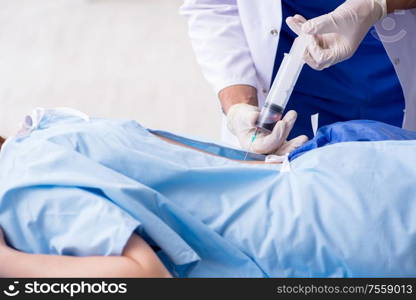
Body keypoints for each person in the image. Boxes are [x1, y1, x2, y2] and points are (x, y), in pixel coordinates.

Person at [1, 108, 416, 277]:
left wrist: (9, 265)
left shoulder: (19, 193)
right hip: (348, 173)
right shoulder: (46, 131)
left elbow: (142, 276)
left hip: (323, 240)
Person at [181, 0, 416, 153]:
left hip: (391, 79)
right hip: (285, 87)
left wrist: (377, 5)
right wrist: (239, 107)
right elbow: (213, 6)